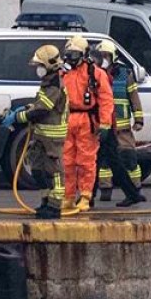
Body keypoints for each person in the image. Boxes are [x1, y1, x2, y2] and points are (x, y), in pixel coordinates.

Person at [1, 45, 68, 219]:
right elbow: (40, 105)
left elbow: (42, 110)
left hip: (52, 137)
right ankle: (45, 202)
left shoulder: (54, 84)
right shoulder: (48, 82)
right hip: (41, 136)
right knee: (37, 169)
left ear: (50, 64)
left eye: (40, 65)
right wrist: (27, 108)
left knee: (54, 172)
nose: (38, 69)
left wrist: (19, 117)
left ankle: (54, 207)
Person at [61, 35, 113, 212]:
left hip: (87, 120)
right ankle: (68, 196)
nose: (70, 58)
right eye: (68, 54)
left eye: (74, 55)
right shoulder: (63, 73)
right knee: (67, 161)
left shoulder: (95, 73)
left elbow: (106, 99)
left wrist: (105, 124)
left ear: (83, 54)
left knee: (86, 161)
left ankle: (85, 196)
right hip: (68, 119)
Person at [93, 40, 147, 207]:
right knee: (103, 162)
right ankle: (105, 190)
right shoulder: (95, 74)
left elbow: (134, 98)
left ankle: (136, 189)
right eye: (101, 56)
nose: (103, 59)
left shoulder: (125, 74)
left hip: (122, 126)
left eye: (106, 56)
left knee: (129, 158)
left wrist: (138, 119)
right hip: (104, 125)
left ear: (113, 56)